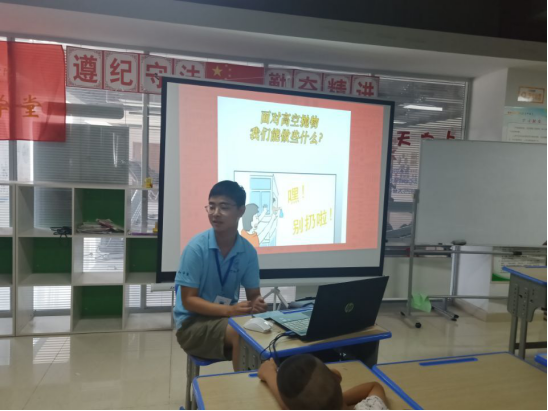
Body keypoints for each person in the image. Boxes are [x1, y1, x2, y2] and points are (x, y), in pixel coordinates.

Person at [174, 181, 268, 371]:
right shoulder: (196, 248)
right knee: (243, 335)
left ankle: (259, 385)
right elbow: (188, 301)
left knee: (267, 336)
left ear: (241, 211)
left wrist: (257, 303)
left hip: (227, 319)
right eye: (211, 206)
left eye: (224, 207)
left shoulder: (248, 251)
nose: (215, 213)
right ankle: (246, 388)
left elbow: (254, 295)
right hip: (192, 324)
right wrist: (230, 310)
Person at [258, 356, 389, 410]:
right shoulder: (373, 407)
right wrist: (331, 401)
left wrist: (269, 374)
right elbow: (374, 386)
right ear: (337, 376)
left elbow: (286, 404)